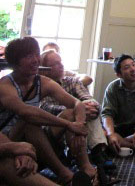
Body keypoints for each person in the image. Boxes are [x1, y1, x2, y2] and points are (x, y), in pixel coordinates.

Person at [0, 37, 93, 185]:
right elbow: (26, 112)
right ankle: (66, 175)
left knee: (70, 113)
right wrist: (68, 125)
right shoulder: (5, 85)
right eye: (28, 56)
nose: (35, 60)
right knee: (29, 122)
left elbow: (77, 104)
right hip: (8, 139)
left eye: (36, 54)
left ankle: (87, 168)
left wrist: (79, 126)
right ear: (15, 63)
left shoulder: (43, 82)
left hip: (35, 140)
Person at [40, 50, 117, 180]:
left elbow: (91, 101)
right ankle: (96, 154)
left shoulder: (72, 81)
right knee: (73, 112)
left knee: (87, 105)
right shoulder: (41, 85)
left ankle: (94, 152)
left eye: (61, 62)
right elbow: (46, 108)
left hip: (76, 125)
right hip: (52, 128)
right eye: (56, 64)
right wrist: (79, 111)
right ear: (45, 69)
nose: (61, 65)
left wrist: (87, 109)